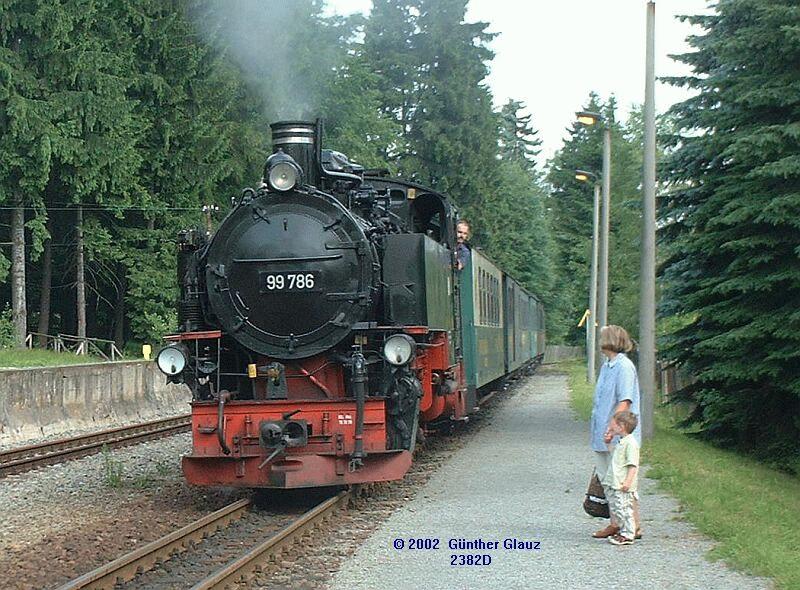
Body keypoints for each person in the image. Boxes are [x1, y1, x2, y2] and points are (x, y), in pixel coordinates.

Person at [589, 324, 642, 540]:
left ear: (610, 340)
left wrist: (612, 428)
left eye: (602, 337)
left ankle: (634, 525)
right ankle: (616, 523)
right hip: (603, 432)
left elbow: (624, 401)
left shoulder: (624, 367)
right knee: (608, 479)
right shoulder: (607, 366)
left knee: (623, 481)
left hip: (618, 434)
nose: (599, 341)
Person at [604, 411, 640, 545]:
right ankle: (623, 531)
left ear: (622, 426)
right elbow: (615, 457)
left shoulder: (631, 443)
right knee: (618, 508)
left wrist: (628, 481)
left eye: (613, 425)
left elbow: (633, 465)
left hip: (623, 484)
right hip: (616, 482)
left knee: (625, 508)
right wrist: (608, 443)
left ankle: (628, 534)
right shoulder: (622, 442)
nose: (611, 427)